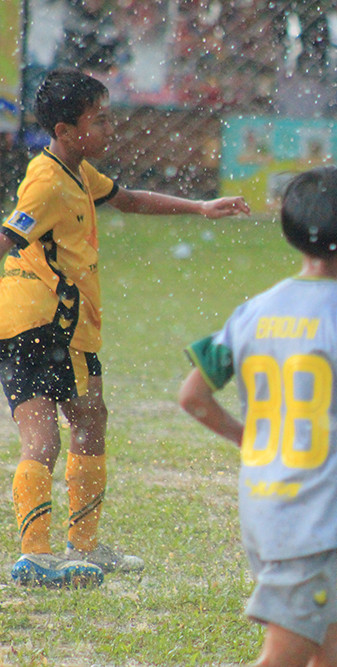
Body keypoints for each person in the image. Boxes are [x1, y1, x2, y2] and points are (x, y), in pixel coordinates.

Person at [0, 68, 250, 588]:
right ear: (66, 130)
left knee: (91, 419)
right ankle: (35, 555)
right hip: (35, 322)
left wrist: (200, 208)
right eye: (100, 120)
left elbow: (128, 199)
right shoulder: (45, 182)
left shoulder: (77, 171)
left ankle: (84, 546)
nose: (110, 128)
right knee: (43, 437)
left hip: (69, 326)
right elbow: (8, 237)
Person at [179, 165, 337, 667]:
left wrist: (249, 437)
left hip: (261, 507)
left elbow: (193, 396)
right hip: (309, 519)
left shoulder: (254, 311)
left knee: (333, 648)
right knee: (284, 656)